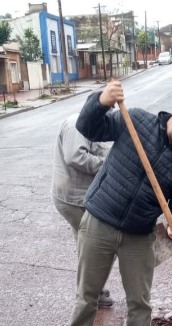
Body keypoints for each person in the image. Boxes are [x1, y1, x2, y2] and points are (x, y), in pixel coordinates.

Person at [63, 80, 172, 326]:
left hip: (139, 233)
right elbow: (90, 128)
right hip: (99, 220)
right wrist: (101, 101)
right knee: (88, 292)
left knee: (140, 301)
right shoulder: (135, 121)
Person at [51, 113, 114, 308]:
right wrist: (108, 165)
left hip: (80, 197)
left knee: (86, 244)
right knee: (97, 244)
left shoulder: (92, 125)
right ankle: (91, 294)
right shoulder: (75, 126)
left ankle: (92, 291)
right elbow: (75, 157)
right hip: (73, 199)